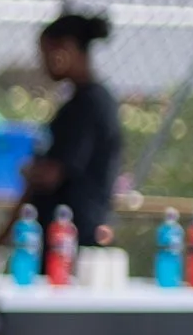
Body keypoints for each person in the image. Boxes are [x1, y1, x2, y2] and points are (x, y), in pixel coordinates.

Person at [10, 12, 122, 244]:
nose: (43, 62)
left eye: (46, 53)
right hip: (58, 233)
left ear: (66, 49)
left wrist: (29, 171)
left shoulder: (87, 105)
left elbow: (56, 171)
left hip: (71, 237)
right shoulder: (79, 102)